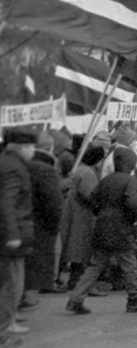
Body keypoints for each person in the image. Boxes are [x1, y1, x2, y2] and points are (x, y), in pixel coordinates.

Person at [64, 146, 137, 316]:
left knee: (95, 265)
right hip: (121, 227)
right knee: (129, 265)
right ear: (131, 163)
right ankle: (134, 300)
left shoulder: (106, 179)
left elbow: (92, 199)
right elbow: (132, 202)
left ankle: (75, 299)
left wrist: (101, 212)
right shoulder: (129, 180)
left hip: (102, 226)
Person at [0, 128, 36, 342]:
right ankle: (3, 332)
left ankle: (8, 323)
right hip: (11, 236)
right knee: (11, 284)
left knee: (11, 282)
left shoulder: (7, 162)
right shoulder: (13, 167)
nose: (33, 151)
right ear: (21, 147)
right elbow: (7, 202)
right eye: (31, 147)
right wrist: (13, 234)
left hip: (10, 233)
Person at [23, 132, 63, 305]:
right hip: (40, 223)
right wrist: (54, 224)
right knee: (35, 262)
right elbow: (53, 202)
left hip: (21, 222)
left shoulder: (19, 165)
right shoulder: (46, 169)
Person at [60, 145, 105, 291]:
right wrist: (99, 208)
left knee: (75, 246)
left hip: (74, 211)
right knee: (81, 247)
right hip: (83, 214)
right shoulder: (88, 173)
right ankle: (77, 281)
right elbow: (90, 194)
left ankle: (74, 279)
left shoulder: (80, 169)